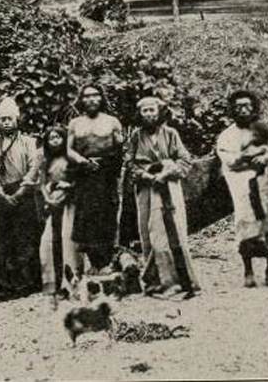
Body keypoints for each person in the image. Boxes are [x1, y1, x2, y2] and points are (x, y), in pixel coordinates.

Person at [124, 96, 201, 298]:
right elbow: (130, 164)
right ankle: (155, 281)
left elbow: (185, 159)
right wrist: (147, 175)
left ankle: (178, 281)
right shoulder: (135, 136)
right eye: (145, 111)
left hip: (169, 188)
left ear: (159, 112)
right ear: (139, 114)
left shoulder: (171, 134)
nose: (149, 114)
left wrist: (166, 172)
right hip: (147, 190)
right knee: (149, 233)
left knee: (171, 232)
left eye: (152, 110)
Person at [215, 90, 268, 288]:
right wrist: (245, 157)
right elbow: (228, 160)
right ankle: (248, 270)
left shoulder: (264, 129)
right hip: (243, 183)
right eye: (239, 107)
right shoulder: (227, 135)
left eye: (247, 106)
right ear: (232, 110)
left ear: (254, 107)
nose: (244, 110)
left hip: (266, 181)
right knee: (246, 224)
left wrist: (265, 157)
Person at [0, 97, 43, 302]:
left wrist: (20, 192)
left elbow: (33, 169)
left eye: (10, 119)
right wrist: (0, 193)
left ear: (17, 120)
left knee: (24, 236)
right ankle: (2, 281)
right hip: (1, 192)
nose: (6, 123)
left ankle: (25, 281)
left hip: (23, 193)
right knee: (2, 237)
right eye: (2, 120)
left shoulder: (28, 142)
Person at [66, 83, 125, 273]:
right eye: (87, 96)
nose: (91, 99)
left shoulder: (111, 121)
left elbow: (121, 148)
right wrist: (83, 161)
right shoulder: (75, 123)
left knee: (106, 215)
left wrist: (108, 165)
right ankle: (93, 262)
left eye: (94, 95)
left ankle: (106, 261)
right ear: (81, 100)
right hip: (84, 175)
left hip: (106, 174)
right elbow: (67, 149)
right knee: (86, 217)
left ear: (100, 98)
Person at [37, 125, 79, 297]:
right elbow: (42, 183)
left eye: (58, 137)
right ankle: (53, 283)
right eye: (51, 138)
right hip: (53, 204)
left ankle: (70, 284)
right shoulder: (46, 161)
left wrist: (67, 187)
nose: (54, 141)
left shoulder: (71, 159)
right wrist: (47, 198)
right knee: (49, 243)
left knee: (67, 242)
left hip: (69, 205)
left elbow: (79, 180)